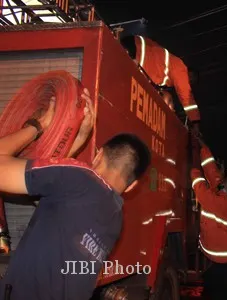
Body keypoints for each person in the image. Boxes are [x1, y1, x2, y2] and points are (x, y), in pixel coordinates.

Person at [0, 89, 151, 300]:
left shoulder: (76, 180)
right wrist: (79, 137)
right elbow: (53, 193)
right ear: (132, 186)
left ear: (98, 155)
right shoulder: (115, 219)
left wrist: (37, 126)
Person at [191, 145, 227, 300]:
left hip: (219, 259)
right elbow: (213, 172)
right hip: (224, 255)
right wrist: (203, 148)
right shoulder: (225, 196)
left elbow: (200, 189)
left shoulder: (221, 203)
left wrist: (194, 168)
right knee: (224, 290)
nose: (224, 177)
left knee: (218, 293)